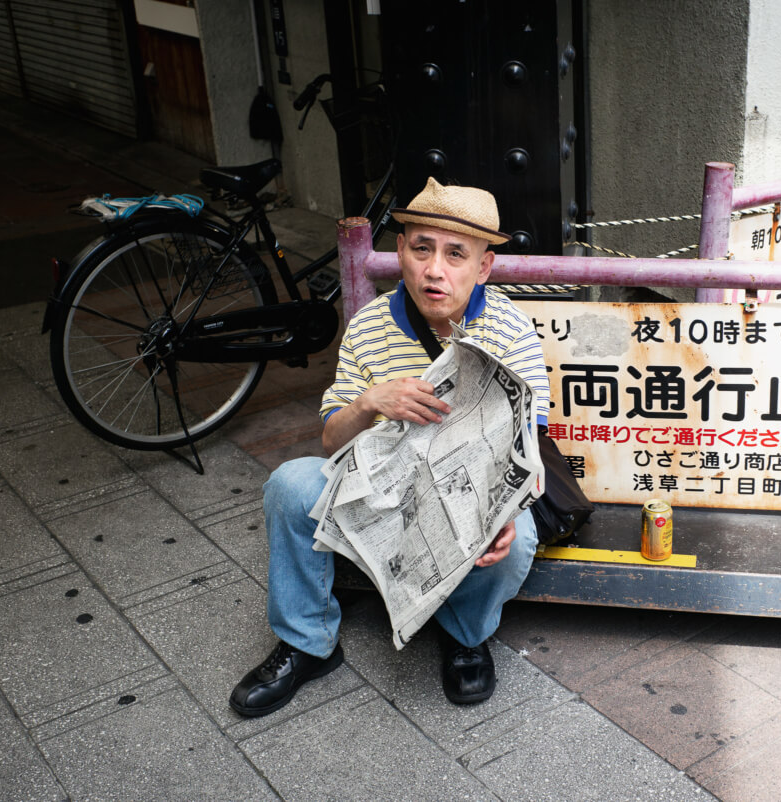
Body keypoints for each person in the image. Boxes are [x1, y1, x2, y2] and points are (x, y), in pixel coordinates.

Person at [230, 178, 550, 716]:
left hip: (464, 497)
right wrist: (368, 402)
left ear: (484, 267)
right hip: (376, 488)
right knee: (290, 484)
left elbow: (528, 445)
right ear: (400, 250)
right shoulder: (371, 324)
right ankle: (306, 643)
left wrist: (507, 512)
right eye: (421, 248)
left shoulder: (510, 329)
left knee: (514, 541)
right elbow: (330, 440)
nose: (435, 270)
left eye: (456, 255)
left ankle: (463, 636)